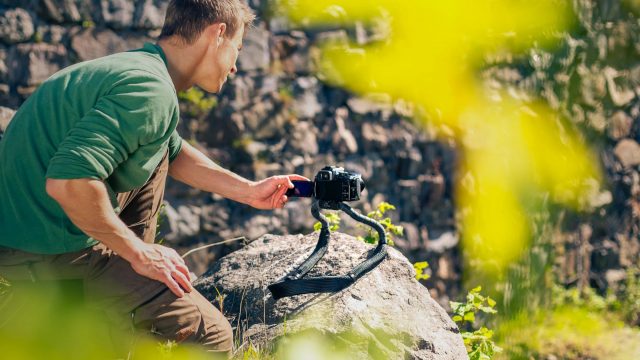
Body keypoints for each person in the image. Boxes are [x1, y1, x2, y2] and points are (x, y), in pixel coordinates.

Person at [0, 0, 306, 356]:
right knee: (214, 337)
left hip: (31, 235)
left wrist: (250, 191)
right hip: (51, 254)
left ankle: (122, 306)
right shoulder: (153, 92)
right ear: (217, 34)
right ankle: (118, 295)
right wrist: (141, 254)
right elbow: (69, 182)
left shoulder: (137, 70)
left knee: (158, 145)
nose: (236, 66)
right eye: (237, 50)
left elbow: (169, 149)